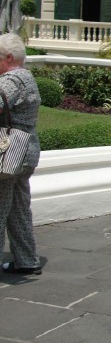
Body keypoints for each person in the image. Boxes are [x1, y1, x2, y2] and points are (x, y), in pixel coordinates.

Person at [0, 34, 43, 276]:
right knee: (18, 209)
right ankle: (27, 260)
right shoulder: (26, 77)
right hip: (24, 151)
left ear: (8, 57)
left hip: (8, 152)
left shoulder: (11, 80)